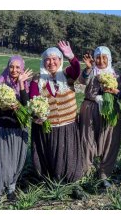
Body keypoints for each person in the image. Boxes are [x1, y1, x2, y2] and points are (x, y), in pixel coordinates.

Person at [29, 41, 82, 183]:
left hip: (68, 125)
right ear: (43, 62)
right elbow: (33, 100)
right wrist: (37, 114)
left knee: (68, 155)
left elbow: (77, 69)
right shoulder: (37, 79)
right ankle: (51, 182)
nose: (51, 62)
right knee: (51, 155)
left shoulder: (66, 75)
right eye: (48, 59)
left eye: (55, 59)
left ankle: (72, 182)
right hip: (48, 127)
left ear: (60, 61)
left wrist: (71, 56)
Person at [79, 46, 121, 188]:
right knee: (87, 140)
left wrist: (115, 91)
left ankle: (104, 174)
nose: (100, 61)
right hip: (90, 109)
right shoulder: (91, 72)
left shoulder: (115, 75)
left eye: (104, 58)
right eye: (98, 58)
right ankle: (86, 174)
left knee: (109, 142)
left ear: (109, 59)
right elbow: (82, 81)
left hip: (110, 110)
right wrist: (88, 68)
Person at [0, 55, 33, 204]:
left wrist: (21, 84)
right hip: (3, 128)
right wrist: (4, 106)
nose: (14, 70)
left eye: (17, 67)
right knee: (1, 162)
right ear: (8, 67)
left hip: (19, 129)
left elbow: (26, 106)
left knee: (17, 161)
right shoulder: (0, 83)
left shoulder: (25, 85)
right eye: (11, 67)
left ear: (21, 69)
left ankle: (11, 190)